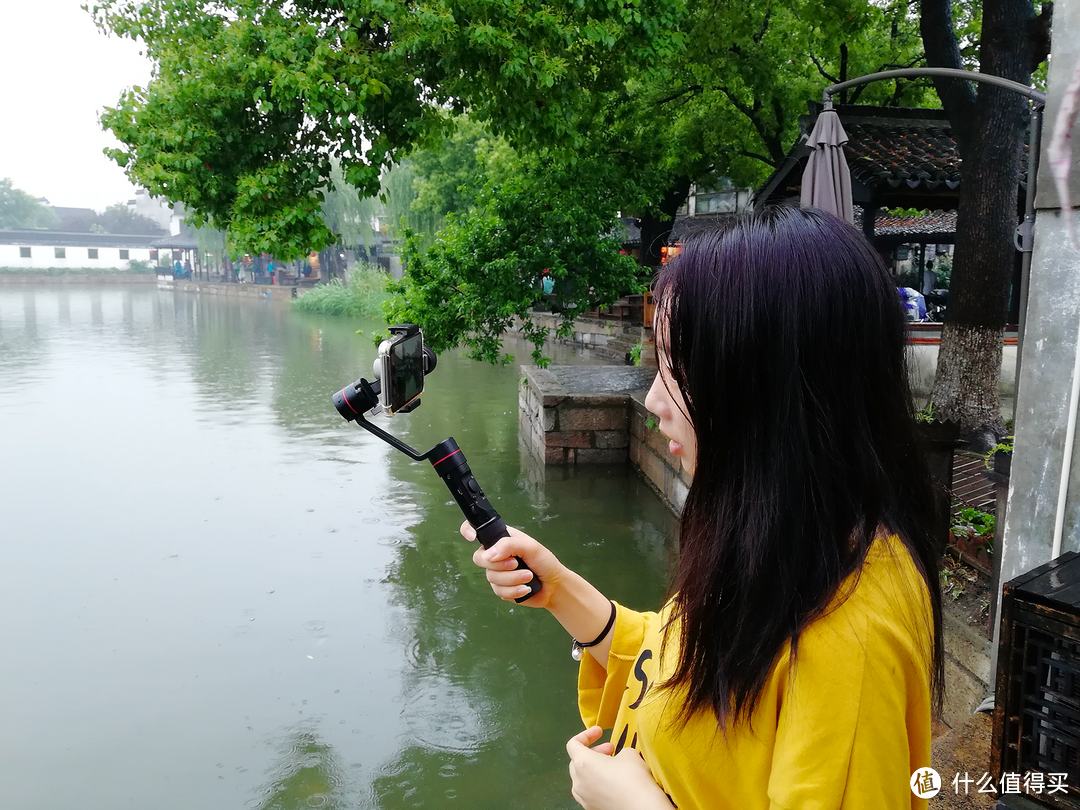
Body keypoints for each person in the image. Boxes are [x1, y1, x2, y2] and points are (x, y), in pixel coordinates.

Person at [464, 206, 943, 810]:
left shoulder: (850, 633)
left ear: (767, 388)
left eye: (680, 368)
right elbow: (686, 658)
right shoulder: (791, 547)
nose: (654, 398)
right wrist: (559, 588)